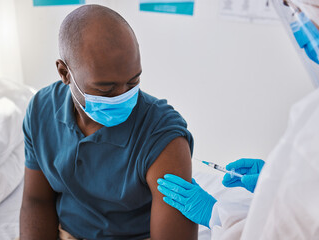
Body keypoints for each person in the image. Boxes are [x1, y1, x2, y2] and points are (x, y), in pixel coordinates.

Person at [158, 0, 319, 238]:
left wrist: (217, 216)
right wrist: (278, 182)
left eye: (298, 11)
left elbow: (284, 232)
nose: (297, 25)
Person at [19, 4, 198, 240]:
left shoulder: (164, 138)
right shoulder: (41, 112)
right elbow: (37, 201)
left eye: (133, 82)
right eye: (106, 89)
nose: (123, 96)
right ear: (64, 73)